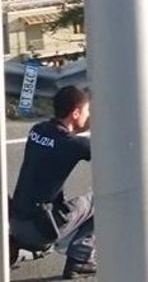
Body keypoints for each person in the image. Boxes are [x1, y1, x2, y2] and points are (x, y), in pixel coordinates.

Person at [10, 85, 95, 279]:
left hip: (16, 219)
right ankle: (80, 260)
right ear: (75, 113)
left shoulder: (37, 130)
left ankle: (19, 246)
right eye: (87, 111)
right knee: (97, 200)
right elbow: (107, 154)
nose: (89, 115)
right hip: (40, 230)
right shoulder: (73, 144)